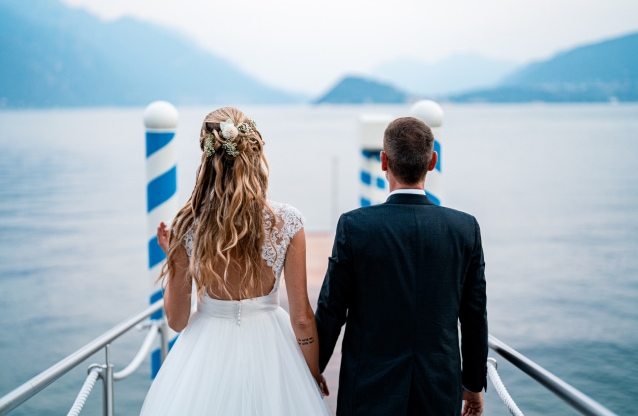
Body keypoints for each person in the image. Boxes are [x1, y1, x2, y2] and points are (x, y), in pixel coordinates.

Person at [140, 107, 330, 415]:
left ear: (206, 157)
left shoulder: (187, 224)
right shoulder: (288, 221)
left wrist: (175, 257)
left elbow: (176, 321)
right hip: (272, 347)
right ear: (254, 152)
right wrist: (311, 375)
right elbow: (302, 318)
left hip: (205, 353)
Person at [314, 116, 488, 416]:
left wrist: (312, 368)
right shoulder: (464, 229)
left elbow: (332, 309)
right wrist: (473, 384)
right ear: (433, 161)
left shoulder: (355, 226)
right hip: (438, 390)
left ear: (383, 161)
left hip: (368, 389)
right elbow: (473, 315)